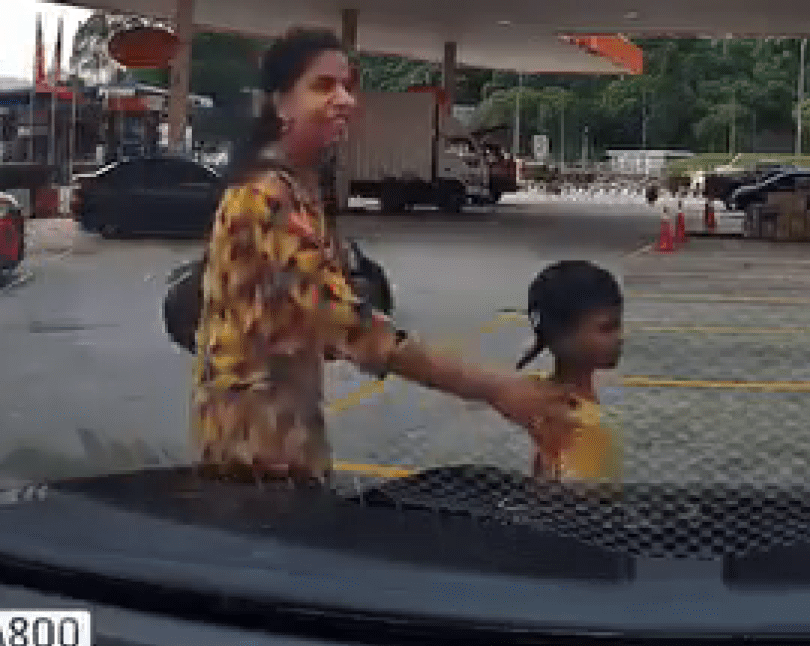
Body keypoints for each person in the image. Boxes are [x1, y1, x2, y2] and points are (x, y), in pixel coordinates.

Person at [192, 27, 576, 485]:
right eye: (323, 86)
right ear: (279, 104)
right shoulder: (263, 198)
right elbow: (349, 326)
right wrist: (494, 388)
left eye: (348, 86)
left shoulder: (297, 189)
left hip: (284, 430)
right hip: (254, 453)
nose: (345, 100)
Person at [515, 260, 625, 482]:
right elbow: (581, 502)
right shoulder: (584, 423)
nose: (621, 336)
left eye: (619, 324)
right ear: (562, 337)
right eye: (606, 328)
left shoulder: (539, 393)